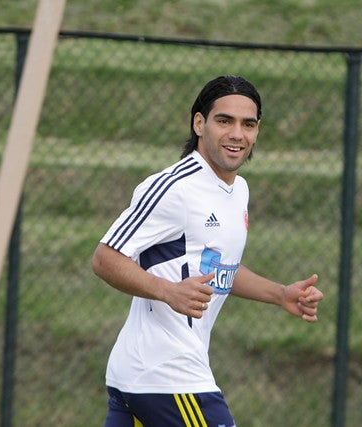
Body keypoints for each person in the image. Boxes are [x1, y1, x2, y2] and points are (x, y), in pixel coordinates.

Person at [92, 75, 323, 427]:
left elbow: (215, 267)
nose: (237, 134)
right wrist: (168, 291)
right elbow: (106, 257)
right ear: (199, 124)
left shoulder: (238, 190)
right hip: (166, 375)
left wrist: (280, 294)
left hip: (143, 377)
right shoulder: (175, 188)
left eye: (248, 124)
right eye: (224, 121)